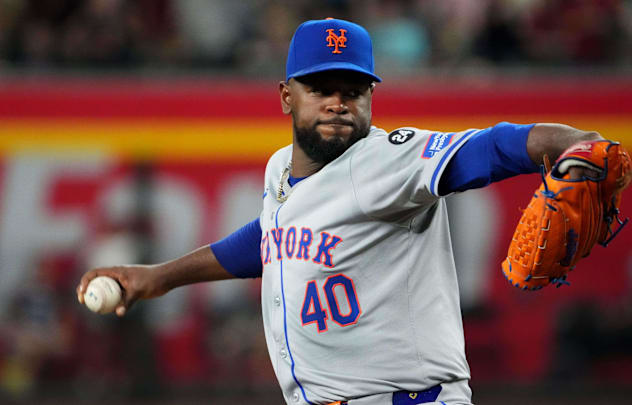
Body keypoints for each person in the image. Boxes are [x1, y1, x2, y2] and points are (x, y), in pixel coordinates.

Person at [77, 18, 602, 405]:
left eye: (353, 91)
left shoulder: (391, 160)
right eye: (320, 88)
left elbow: (490, 149)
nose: (337, 102)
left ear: (372, 97)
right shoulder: (280, 169)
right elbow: (269, 238)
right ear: (287, 96)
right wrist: (158, 278)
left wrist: (574, 142)